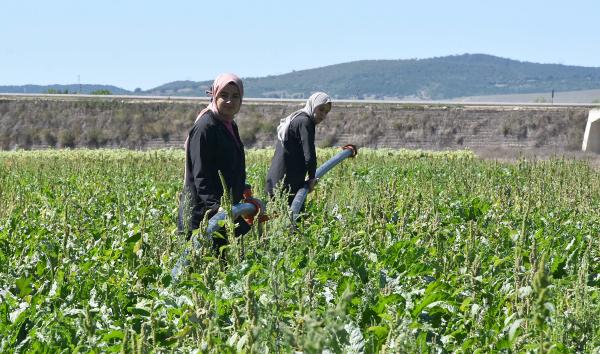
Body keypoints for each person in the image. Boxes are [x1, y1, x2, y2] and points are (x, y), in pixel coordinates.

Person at [178, 73, 251, 253]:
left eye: (235, 96)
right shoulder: (206, 127)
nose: (229, 101)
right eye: (224, 95)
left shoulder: (229, 125)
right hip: (202, 215)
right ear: (214, 95)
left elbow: (228, 167)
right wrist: (217, 208)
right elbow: (200, 175)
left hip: (223, 210)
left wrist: (243, 191)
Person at [265, 92, 332, 205]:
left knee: (275, 219)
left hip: (275, 182)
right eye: (321, 109)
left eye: (326, 112)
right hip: (287, 186)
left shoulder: (297, 118)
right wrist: (311, 178)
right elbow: (309, 154)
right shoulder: (305, 122)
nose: (323, 115)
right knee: (293, 220)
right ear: (313, 105)